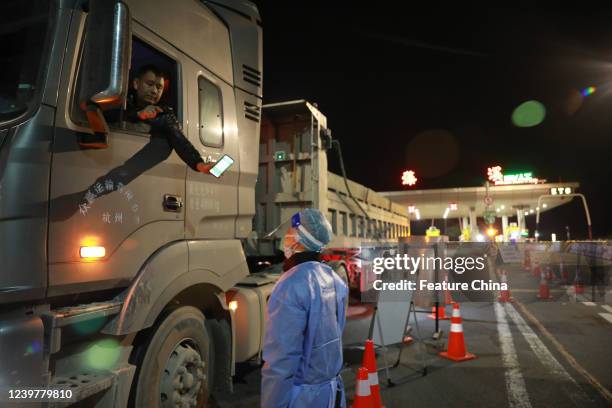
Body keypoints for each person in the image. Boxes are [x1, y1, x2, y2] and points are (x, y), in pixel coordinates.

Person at [261, 209, 348, 408]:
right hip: (331, 395)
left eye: (291, 232)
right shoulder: (335, 280)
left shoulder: (290, 286)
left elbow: (281, 362)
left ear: (301, 241)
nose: (286, 238)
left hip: (303, 399)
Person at [126, 64, 211, 174]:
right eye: (150, 84)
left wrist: (199, 164)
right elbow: (112, 114)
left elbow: (179, 138)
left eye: (159, 87)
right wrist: (139, 114)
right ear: (136, 83)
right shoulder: (121, 98)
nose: (154, 91)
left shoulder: (163, 112)